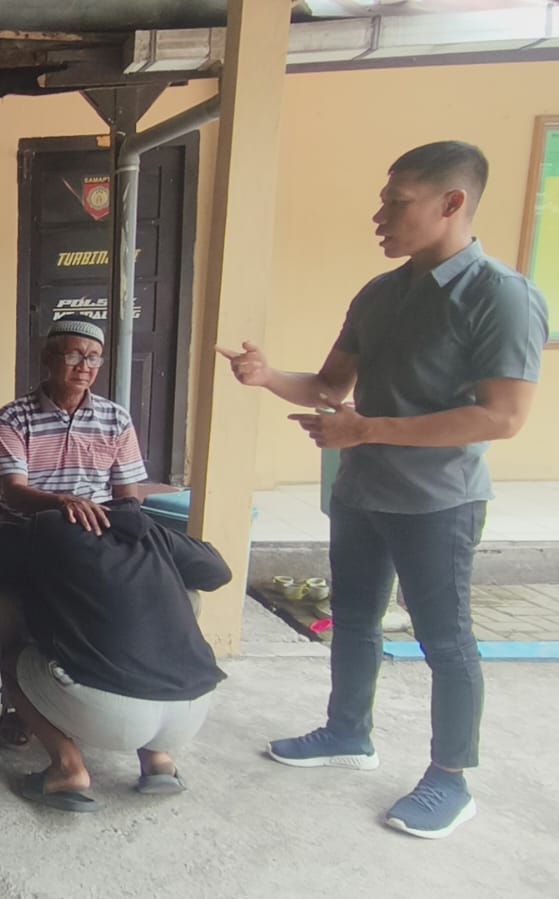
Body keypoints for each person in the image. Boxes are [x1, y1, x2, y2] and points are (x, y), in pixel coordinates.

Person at [219, 141, 547, 839]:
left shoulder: (501, 295)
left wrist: (365, 431)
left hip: (439, 500)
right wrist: (266, 376)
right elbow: (328, 386)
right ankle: (347, 732)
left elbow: (502, 416)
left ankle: (450, 778)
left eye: (396, 202)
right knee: (354, 618)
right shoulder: (379, 294)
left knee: (444, 639)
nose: (379, 217)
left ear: (451, 203)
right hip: (363, 491)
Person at [0, 498, 231, 812]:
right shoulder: (151, 532)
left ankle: (67, 767)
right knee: (187, 596)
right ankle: (157, 759)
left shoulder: (51, 527)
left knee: (12, 650)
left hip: (107, 713)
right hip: (191, 711)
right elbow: (219, 572)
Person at [0, 314, 148, 747]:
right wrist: (63, 503)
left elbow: (129, 498)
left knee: (146, 592)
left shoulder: (115, 419)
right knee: (3, 605)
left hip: (96, 536)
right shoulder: (14, 417)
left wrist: (107, 522)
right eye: (73, 355)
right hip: (32, 533)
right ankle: (16, 701)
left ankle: (101, 696)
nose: (84, 366)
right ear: (48, 358)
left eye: (93, 357)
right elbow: (13, 493)